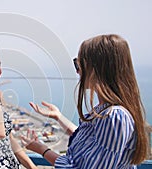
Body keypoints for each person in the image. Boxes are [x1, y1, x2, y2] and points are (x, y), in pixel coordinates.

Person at [21, 34, 149, 168]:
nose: (77, 71)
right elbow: (87, 142)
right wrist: (58, 117)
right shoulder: (105, 111)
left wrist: (42, 150)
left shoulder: (114, 117)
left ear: (95, 69)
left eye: (78, 64)